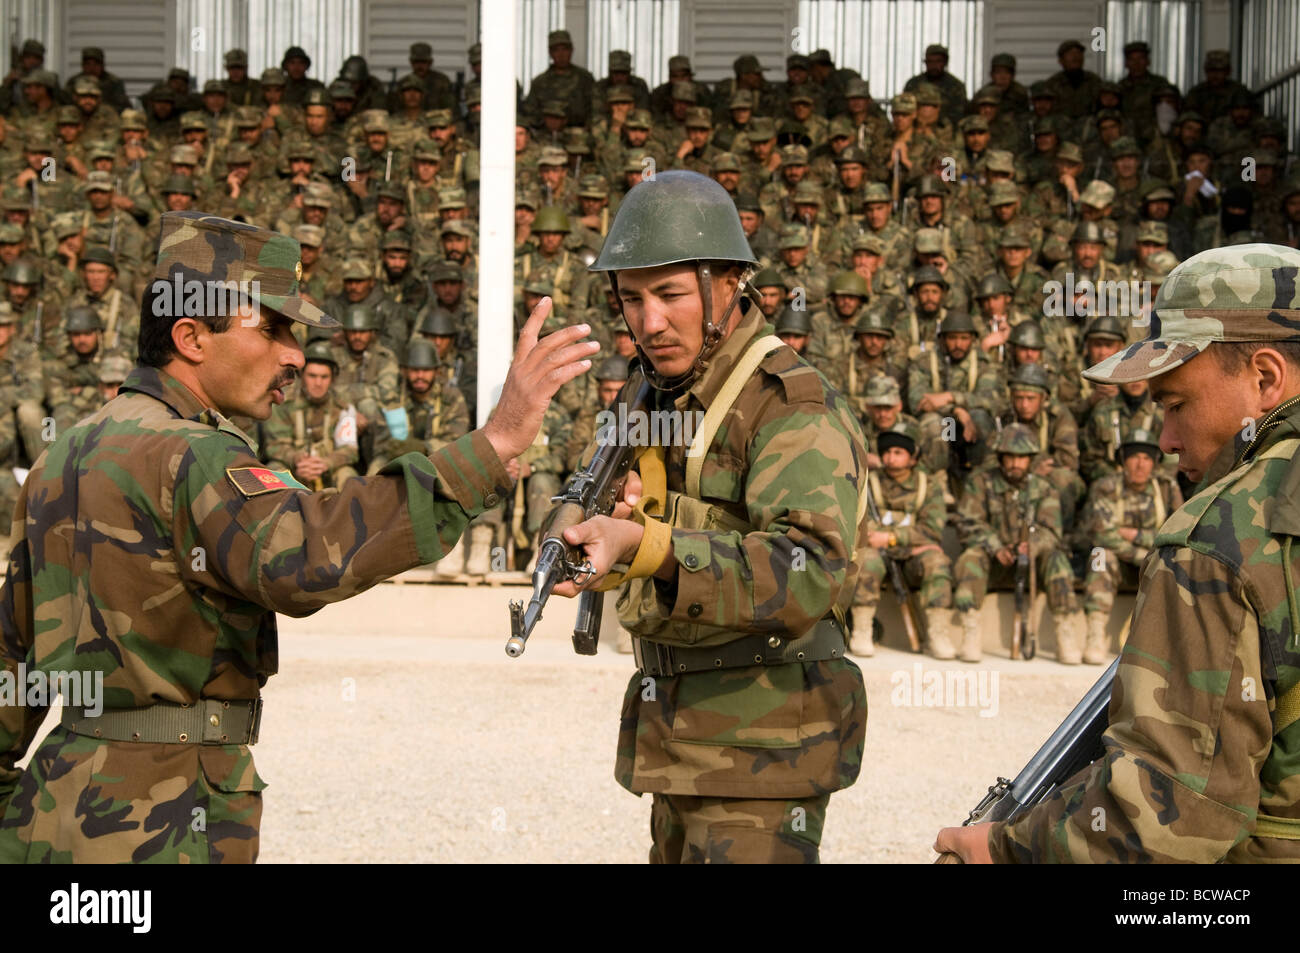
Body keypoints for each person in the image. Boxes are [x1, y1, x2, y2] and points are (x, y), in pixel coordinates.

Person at [0, 211, 597, 863]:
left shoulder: (67, 453)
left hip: (52, 817)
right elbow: (307, 552)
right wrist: (490, 446)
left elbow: (12, 664)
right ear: (192, 335)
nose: (294, 354)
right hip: (163, 824)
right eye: (274, 327)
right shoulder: (196, 454)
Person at [937, 243, 1300, 863]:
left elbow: (1173, 816)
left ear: (1264, 378)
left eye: (1175, 403)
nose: (1163, 439)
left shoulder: (1220, 537)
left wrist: (1005, 848)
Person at [552, 170, 869, 864]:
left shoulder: (789, 404)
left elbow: (808, 572)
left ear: (729, 283)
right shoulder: (659, 396)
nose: (650, 320)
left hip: (766, 744)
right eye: (631, 299)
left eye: (669, 294)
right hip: (681, 735)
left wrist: (651, 546)